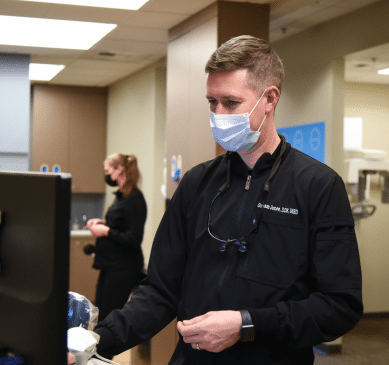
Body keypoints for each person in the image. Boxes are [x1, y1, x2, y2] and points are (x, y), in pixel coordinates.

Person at [90, 36, 363, 364]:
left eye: (231, 103)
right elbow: (159, 291)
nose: (218, 114)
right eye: (212, 102)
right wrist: (95, 342)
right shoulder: (196, 183)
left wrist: (247, 324)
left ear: (269, 99)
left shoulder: (317, 186)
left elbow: (339, 306)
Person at [87, 153, 147, 327]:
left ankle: (106, 345)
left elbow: (134, 238)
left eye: (108, 171)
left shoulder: (135, 199)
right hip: (110, 266)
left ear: (119, 169)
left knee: (109, 319)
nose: (106, 175)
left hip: (123, 268)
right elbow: (119, 226)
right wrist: (102, 224)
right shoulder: (122, 196)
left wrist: (106, 231)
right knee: (99, 315)